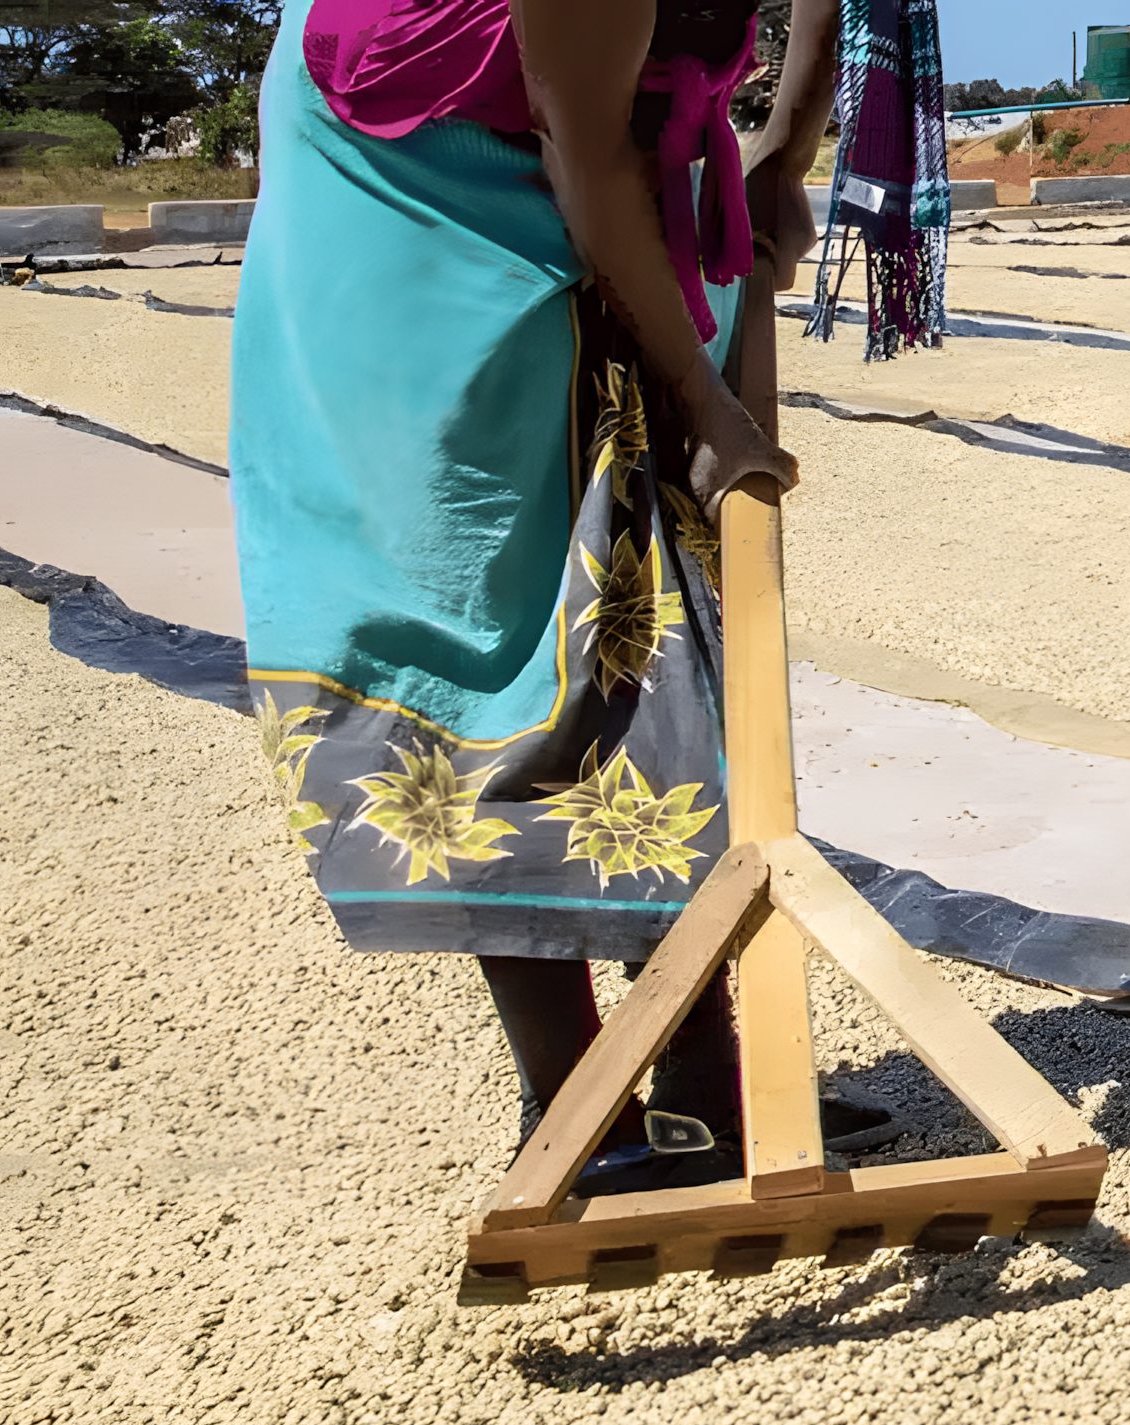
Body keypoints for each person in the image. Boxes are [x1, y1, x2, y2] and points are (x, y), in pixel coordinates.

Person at [231, 0, 891, 1192]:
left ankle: (704, 1087)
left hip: (608, 118)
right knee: (491, 612)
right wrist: (705, 398)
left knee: (659, 596)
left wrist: (782, 156)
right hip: (404, 163)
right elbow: (578, 147)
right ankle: (576, 1103)